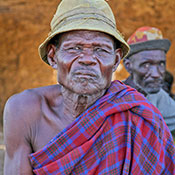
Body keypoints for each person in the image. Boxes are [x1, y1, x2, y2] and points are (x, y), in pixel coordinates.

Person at [3, 1, 175, 174]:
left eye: (100, 49)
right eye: (75, 48)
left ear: (116, 61)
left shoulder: (138, 116)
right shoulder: (24, 111)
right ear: (53, 56)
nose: (87, 59)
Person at [123, 26, 175, 137]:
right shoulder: (113, 95)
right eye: (146, 65)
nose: (156, 74)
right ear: (128, 66)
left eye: (161, 64)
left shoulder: (160, 96)